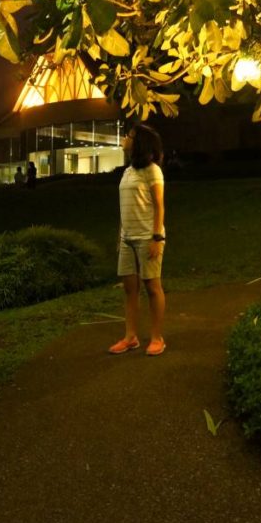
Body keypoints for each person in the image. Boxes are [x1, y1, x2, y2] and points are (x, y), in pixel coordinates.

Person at [108, 123, 166, 357]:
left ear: (138, 142)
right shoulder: (128, 171)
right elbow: (125, 207)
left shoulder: (152, 171)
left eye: (129, 136)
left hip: (147, 237)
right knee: (129, 290)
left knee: (152, 287)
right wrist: (120, 236)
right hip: (127, 239)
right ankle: (130, 337)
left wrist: (156, 237)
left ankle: (157, 338)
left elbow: (159, 206)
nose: (125, 138)